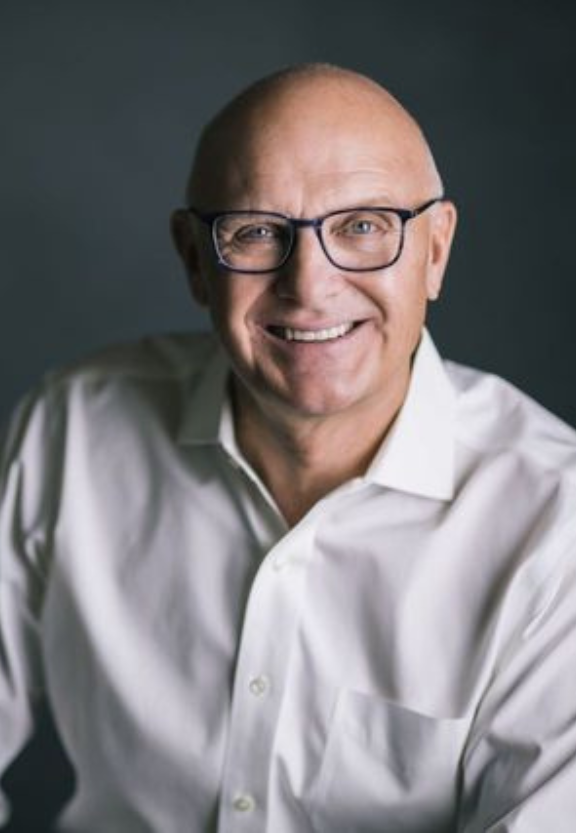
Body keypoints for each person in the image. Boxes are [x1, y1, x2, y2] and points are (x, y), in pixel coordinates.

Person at [1, 63, 576, 833]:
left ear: (435, 251)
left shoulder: (556, 525)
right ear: (194, 259)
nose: (309, 285)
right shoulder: (71, 430)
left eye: (363, 226)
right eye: (256, 232)